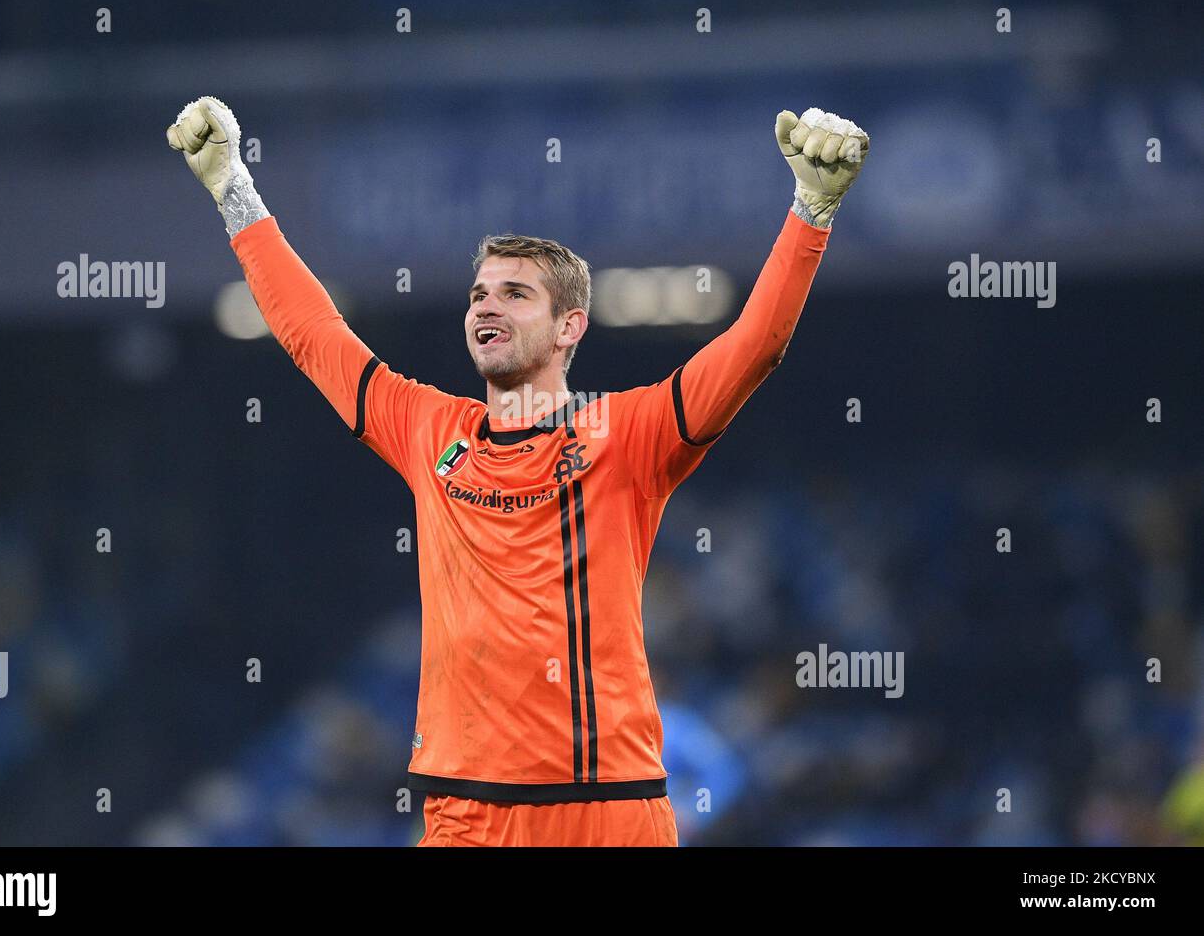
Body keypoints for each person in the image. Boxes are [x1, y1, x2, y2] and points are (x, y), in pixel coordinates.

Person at [167, 96, 868, 846]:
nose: (484, 306)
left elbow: (753, 347)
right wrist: (234, 188)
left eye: (513, 293)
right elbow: (313, 335)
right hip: (465, 817)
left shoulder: (629, 433)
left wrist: (810, 211)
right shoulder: (429, 427)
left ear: (570, 327)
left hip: (607, 811)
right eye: (477, 294)